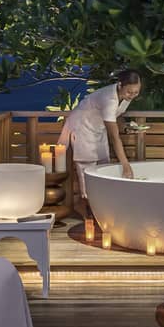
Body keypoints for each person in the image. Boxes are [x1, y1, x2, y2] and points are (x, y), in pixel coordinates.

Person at [60, 69, 143, 217]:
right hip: (82, 126)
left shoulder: (125, 96)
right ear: (120, 85)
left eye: (136, 92)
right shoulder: (109, 99)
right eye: (130, 92)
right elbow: (114, 136)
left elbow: (117, 116)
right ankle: (85, 207)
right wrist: (125, 165)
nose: (133, 95)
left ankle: (100, 207)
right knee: (87, 166)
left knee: (103, 164)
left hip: (98, 127)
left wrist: (127, 127)